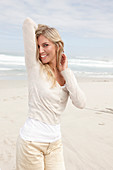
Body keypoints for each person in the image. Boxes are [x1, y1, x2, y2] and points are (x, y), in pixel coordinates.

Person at [16, 17, 86, 170]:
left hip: (55, 144)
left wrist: (65, 71)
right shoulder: (35, 67)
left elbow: (80, 103)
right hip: (31, 143)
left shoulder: (67, 74)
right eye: (38, 46)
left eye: (45, 45)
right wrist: (42, 30)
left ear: (57, 45)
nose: (40, 51)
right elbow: (27, 23)